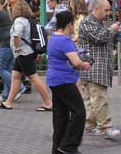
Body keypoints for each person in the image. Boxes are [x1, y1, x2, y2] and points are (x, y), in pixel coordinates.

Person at [47, 11, 91, 154]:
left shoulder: (53, 38)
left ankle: (58, 148)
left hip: (54, 80)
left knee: (60, 115)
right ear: (69, 24)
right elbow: (76, 62)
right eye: (73, 24)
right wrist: (85, 64)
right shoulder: (65, 41)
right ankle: (69, 146)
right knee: (79, 113)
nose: (74, 27)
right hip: (65, 81)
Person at [0, 0, 52, 111]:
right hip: (24, 53)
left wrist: (16, 47)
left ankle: (48, 102)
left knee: (33, 77)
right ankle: (9, 102)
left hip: (23, 53)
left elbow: (17, 34)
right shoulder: (28, 20)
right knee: (15, 77)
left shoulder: (19, 21)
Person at [78, 0, 120, 136]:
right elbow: (99, 38)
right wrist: (112, 30)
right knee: (99, 99)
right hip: (94, 68)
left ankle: (90, 125)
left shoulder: (99, 23)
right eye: (106, 10)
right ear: (96, 9)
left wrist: (116, 35)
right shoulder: (87, 22)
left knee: (91, 100)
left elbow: (106, 40)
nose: (109, 13)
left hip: (98, 68)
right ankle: (106, 127)